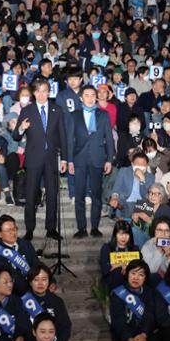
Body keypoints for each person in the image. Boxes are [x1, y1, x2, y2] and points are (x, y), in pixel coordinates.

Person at [13, 78, 67, 241]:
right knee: (30, 196)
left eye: (45, 90)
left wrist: (64, 159)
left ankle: (51, 228)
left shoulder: (57, 110)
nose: (41, 94)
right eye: (38, 91)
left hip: (51, 158)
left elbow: (63, 136)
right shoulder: (27, 110)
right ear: (33, 93)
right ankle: (30, 229)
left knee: (52, 195)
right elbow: (16, 135)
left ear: (49, 92)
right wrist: (22, 127)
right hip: (33, 158)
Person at [66, 85, 114, 238]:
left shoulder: (104, 114)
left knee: (96, 195)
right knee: (79, 195)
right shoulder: (74, 115)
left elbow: (109, 138)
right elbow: (69, 140)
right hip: (79, 159)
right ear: (81, 98)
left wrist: (109, 159)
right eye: (86, 95)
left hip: (98, 158)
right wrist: (70, 161)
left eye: (93, 95)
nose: (90, 98)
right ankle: (81, 228)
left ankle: (95, 227)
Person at [109, 259, 161, 341]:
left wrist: (144, 334)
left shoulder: (149, 292)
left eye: (141, 275)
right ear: (127, 274)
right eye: (133, 273)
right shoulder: (118, 293)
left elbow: (150, 315)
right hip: (124, 336)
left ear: (145, 278)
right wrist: (131, 339)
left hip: (144, 332)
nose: (136, 278)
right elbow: (118, 321)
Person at [0, 215, 39, 297]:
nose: (13, 233)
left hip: (34, 287)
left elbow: (36, 265)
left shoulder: (26, 244)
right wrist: (31, 287)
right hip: (15, 293)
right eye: (9, 230)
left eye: (14, 229)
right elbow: (9, 278)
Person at [25, 264, 71, 341]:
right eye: (36, 280)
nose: (40, 283)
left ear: (49, 281)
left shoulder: (57, 301)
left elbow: (66, 327)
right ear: (30, 282)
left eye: (44, 280)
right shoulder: (23, 301)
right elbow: (23, 330)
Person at [109, 152, 153, 218]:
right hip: (124, 202)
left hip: (141, 205)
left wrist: (142, 180)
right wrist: (114, 197)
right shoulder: (123, 171)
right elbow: (116, 188)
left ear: (147, 165)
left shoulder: (151, 177)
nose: (140, 166)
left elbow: (146, 196)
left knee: (144, 208)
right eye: (137, 164)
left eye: (143, 164)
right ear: (132, 164)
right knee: (124, 205)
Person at [100, 220, 141, 290]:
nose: (124, 237)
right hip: (111, 281)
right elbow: (105, 269)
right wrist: (120, 265)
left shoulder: (135, 249)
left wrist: (125, 267)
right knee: (118, 271)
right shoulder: (107, 248)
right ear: (115, 235)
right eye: (120, 234)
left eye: (127, 234)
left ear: (130, 235)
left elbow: (139, 267)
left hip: (130, 280)